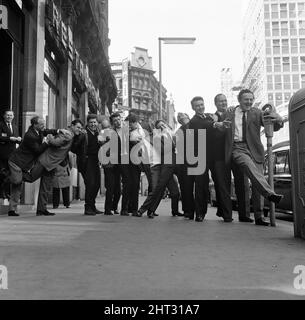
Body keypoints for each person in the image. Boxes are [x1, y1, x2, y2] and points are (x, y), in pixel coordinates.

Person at [215, 89, 284, 226]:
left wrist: (279, 120)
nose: (249, 102)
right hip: (237, 148)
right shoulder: (229, 112)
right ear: (239, 100)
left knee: (257, 178)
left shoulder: (257, 112)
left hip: (255, 149)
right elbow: (220, 129)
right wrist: (219, 125)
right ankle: (270, 193)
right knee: (249, 167)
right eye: (246, 99)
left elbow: (272, 125)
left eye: (251, 99)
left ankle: (259, 217)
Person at [8, 116, 59, 216]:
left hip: (24, 164)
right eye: (41, 124)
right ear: (35, 125)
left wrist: (57, 130)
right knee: (17, 182)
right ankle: (7, 177)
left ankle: (11, 209)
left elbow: (46, 131)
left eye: (44, 123)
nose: (43, 126)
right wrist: (47, 142)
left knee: (17, 185)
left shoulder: (39, 131)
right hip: (16, 162)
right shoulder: (30, 135)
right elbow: (38, 150)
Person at [22, 123, 76, 216]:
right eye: (78, 127)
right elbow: (55, 142)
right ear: (72, 126)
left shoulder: (71, 135)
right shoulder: (68, 134)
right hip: (45, 161)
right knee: (31, 178)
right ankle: (9, 174)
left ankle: (41, 209)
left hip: (51, 164)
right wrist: (50, 137)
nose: (79, 129)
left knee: (45, 187)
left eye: (80, 127)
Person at [137, 119, 181, 219]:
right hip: (164, 166)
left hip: (174, 163)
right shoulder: (157, 137)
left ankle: (175, 211)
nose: (162, 127)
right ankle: (146, 210)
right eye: (159, 126)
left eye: (163, 125)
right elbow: (163, 151)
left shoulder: (172, 134)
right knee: (158, 189)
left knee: (175, 192)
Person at [184, 96, 215, 222]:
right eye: (197, 105)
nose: (200, 107)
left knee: (201, 185)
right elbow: (205, 124)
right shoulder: (195, 121)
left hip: (204, 155)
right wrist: (215, 122)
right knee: (199, 186)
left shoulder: (206, 117)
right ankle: (199, 213)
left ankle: (195, 212)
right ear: (193, 108)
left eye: (202, 104)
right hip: (197, 156)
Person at [209, 94, 233, 222]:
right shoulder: (212, 118)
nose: (224, 103)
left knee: (224, 184)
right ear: (216, 103)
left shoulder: (230, 114)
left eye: (225, 100)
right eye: (221, 101)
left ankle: (222, 211)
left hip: (230, 154)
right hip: (218, 156)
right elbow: (215, 134)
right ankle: (227, 215)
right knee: (223, 185)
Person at [0, 110, 21, 205]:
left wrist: (19, 139)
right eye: (7, 115)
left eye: (11, 115)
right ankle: (2, 194)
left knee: (10, 176)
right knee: (3, 175)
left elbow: (16, 138)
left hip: (13, 155)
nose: (9, 117)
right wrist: (9, 138)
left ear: (13, 116)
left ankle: (7, 194)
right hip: (3, 154)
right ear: (4, 116)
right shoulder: (1, 125)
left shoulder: (15, 127)